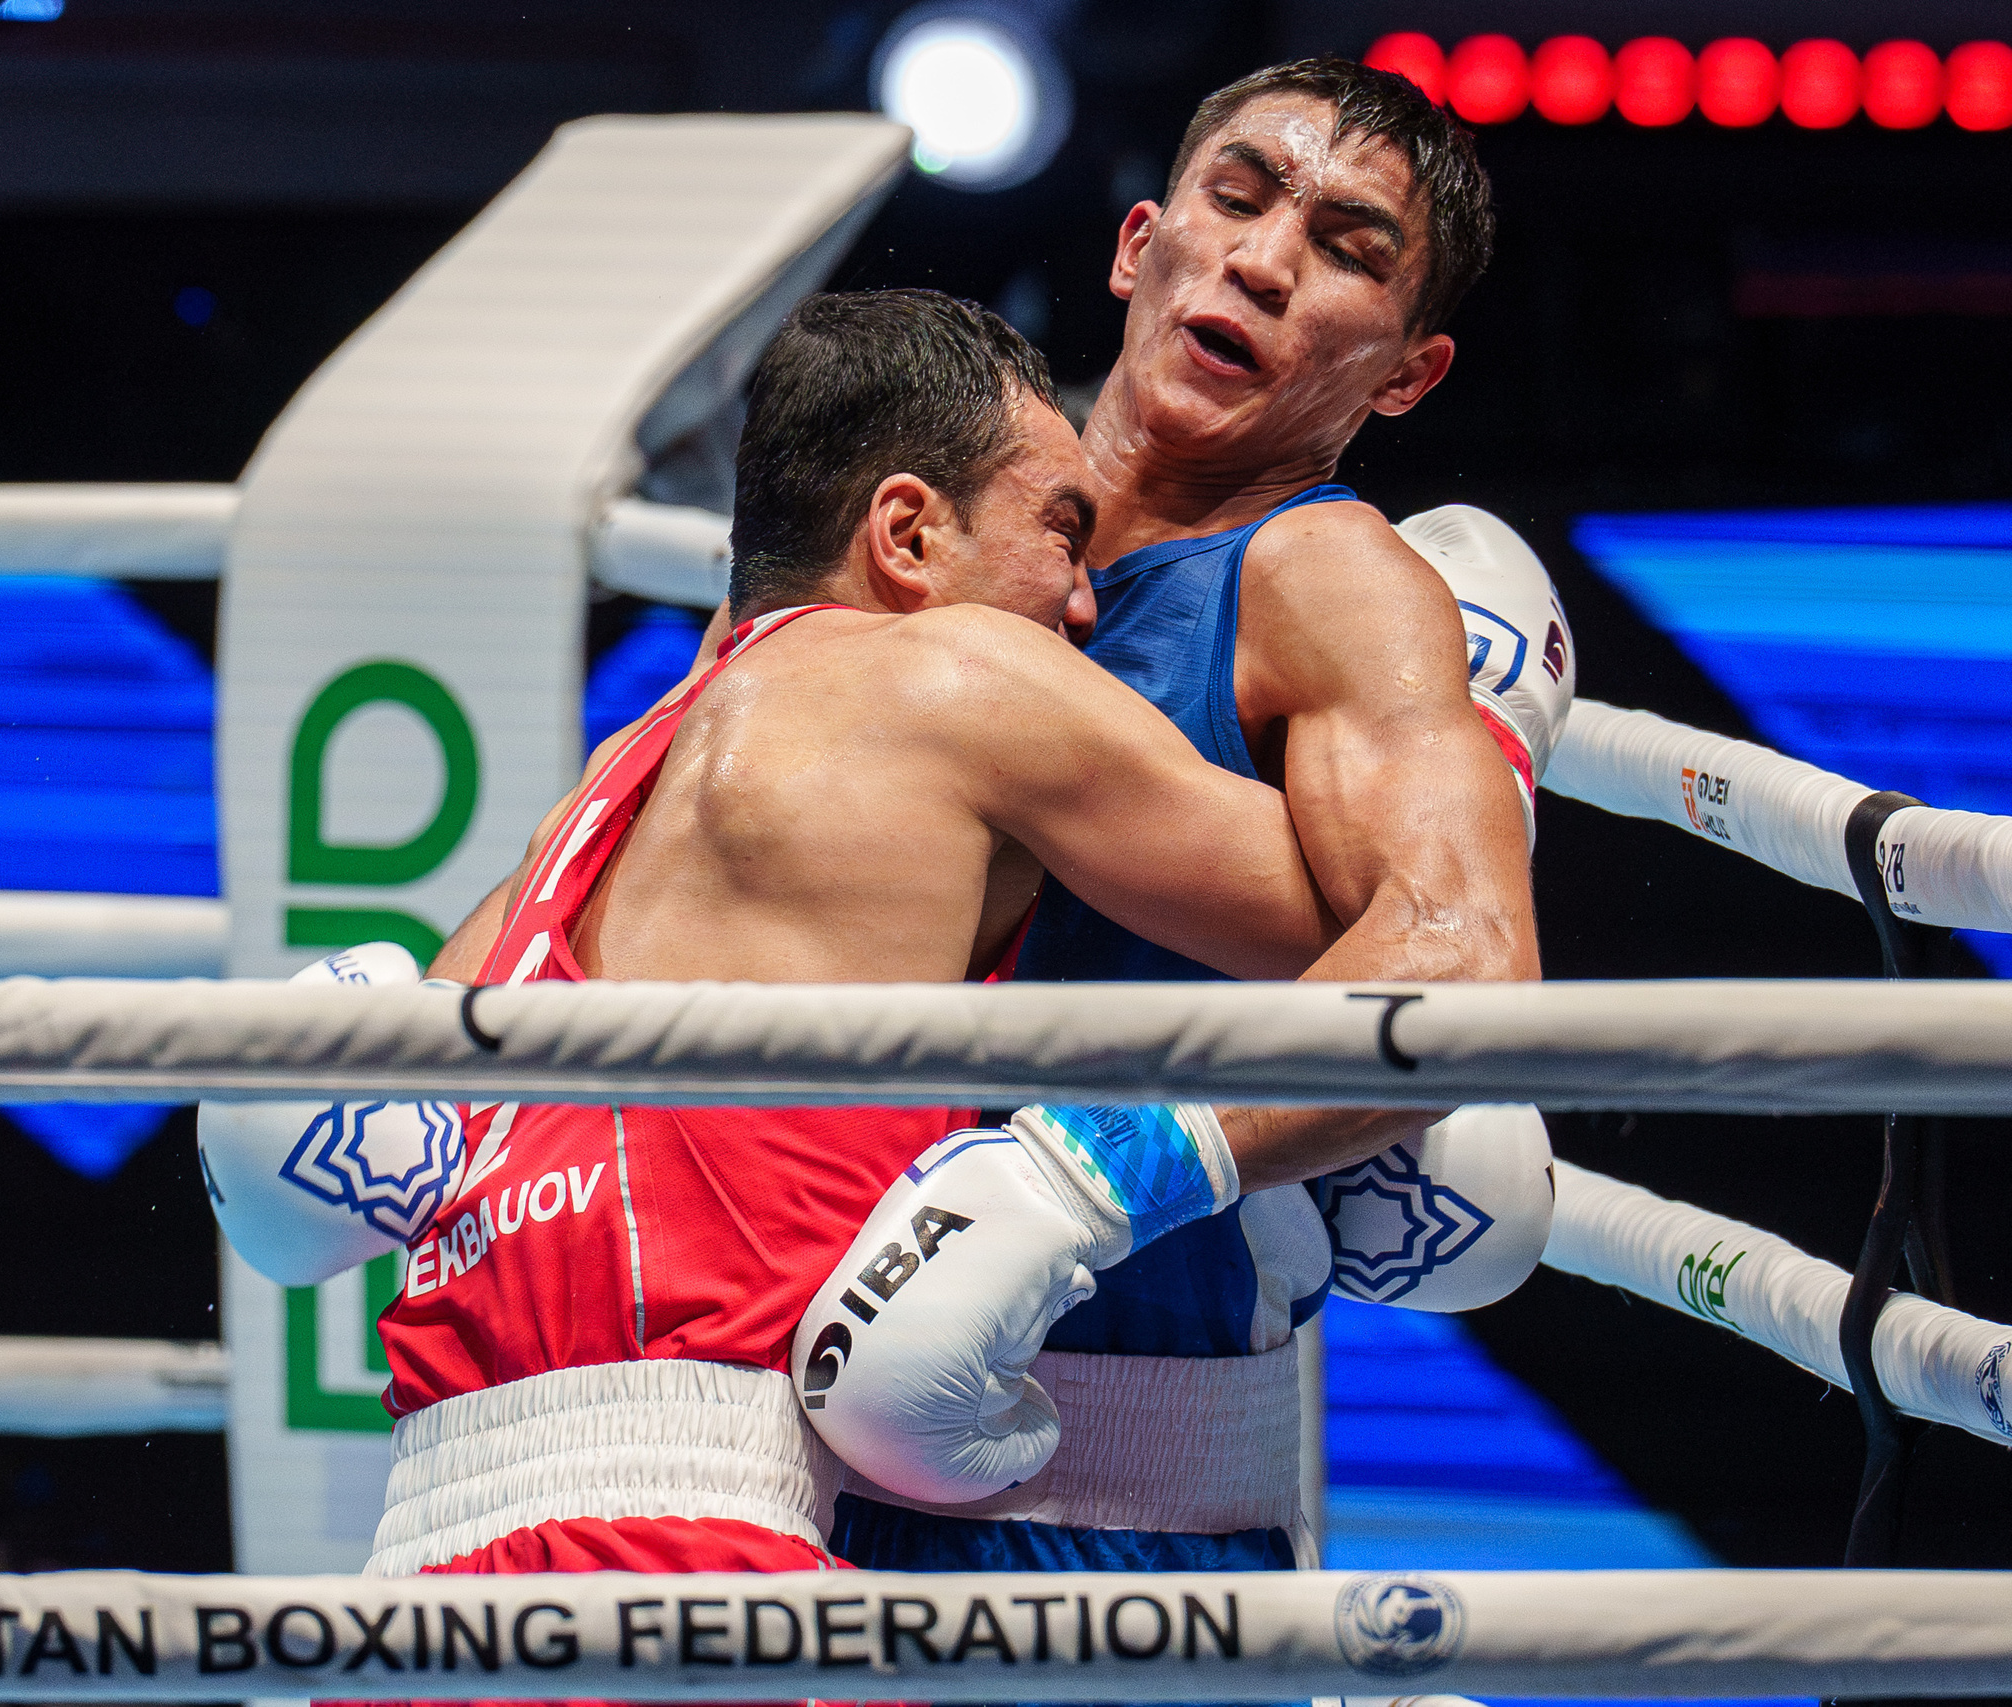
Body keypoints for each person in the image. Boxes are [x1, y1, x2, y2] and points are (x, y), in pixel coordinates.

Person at [201, 287, 1506, 1591]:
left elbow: (336, 1135)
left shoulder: (612, 785)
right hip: (706, 1553)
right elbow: (1386, 919)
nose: (1088, 605)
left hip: (419, 1568)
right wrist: (1475, 742)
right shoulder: (966, 677)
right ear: (908, 534)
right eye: (1061, 534)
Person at [798, 57, 1572, 1587]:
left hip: (1107, 1507)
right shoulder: (927, 513)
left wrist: (1091, 1178)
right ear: (1139, 245)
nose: (1268, 258)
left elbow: (1469, 972)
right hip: (768, 1446)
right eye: (1240, 196)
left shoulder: (1320, 581)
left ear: (1407, 376)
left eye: (1349, 248)